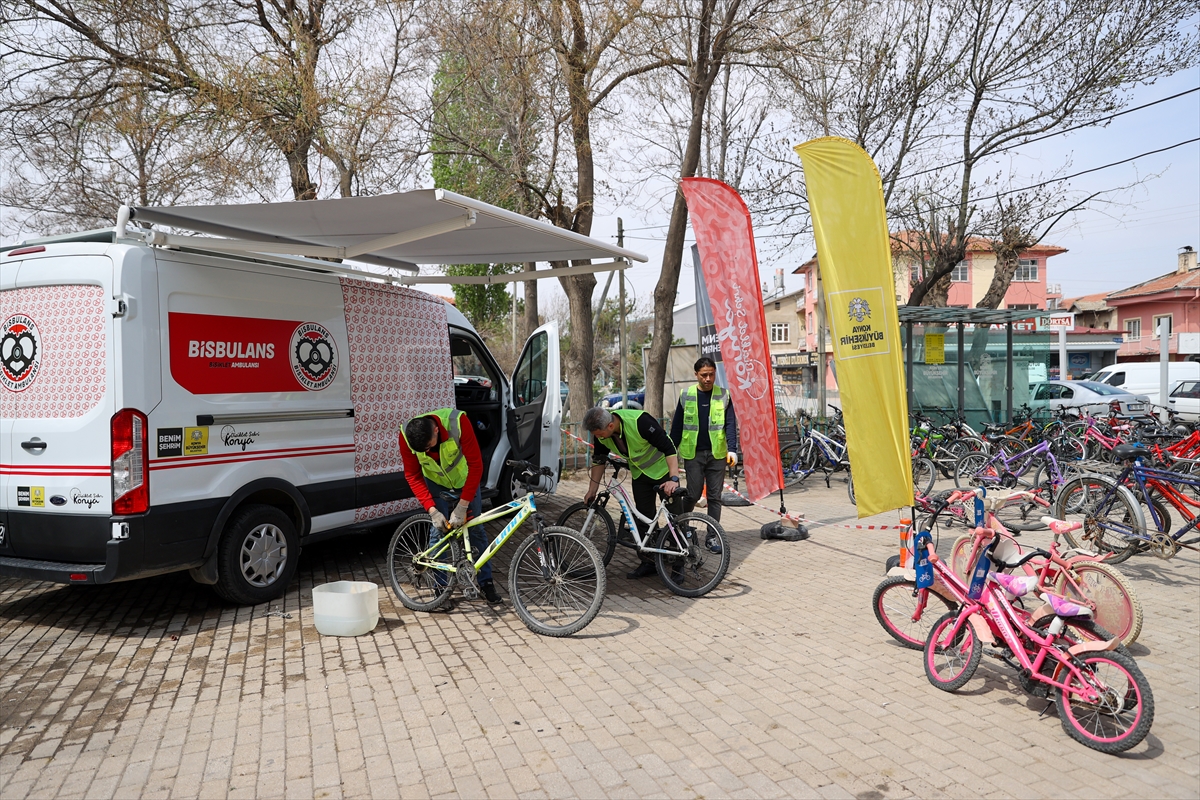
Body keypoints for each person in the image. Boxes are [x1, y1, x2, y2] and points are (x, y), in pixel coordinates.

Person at [399, 408, 502, 604]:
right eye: (422, 451)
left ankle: (486, 582)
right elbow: (412, 475)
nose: (426, 452)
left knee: (476, 529)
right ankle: (440, 589)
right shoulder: (406, 436)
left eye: (428, 446)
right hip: (436, 484)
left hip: (465, 480)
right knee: (438, 533)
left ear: (436, 430)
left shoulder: (458, 423)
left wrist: (462, 506)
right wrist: (432, 510)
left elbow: (476, 465)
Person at [583, 406, 681, 579]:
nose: (597, 438)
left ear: (610, 426)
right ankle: (649, 562)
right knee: (643, 517)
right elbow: (598, 460)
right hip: (640, 475)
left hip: (663, 471)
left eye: (599, 434)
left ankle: (679, 565)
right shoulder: (602, 434)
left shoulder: (639, 422)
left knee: (675, 518)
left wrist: (673, 479)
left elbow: (669, 448)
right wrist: (592, 490)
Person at [670, 357, 738, 544]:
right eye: (704, 375)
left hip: (717, 454)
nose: (708, 379)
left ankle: (712, 537)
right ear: (696, 375)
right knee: (693, 494)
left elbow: (730, 424)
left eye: (711, 375)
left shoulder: (724, 395)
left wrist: (732, 449)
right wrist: (669, 452)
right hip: (693, 455)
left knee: (715, 497)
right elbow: (677, 427)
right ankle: (680, 528)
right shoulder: (686, 395)